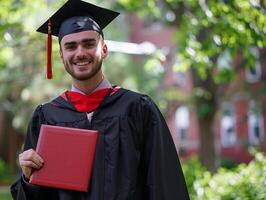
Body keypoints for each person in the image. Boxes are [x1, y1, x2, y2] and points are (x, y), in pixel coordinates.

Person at [10, 0, 190, 199]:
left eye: (89, 44)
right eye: (70, 46)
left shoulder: (138, 109)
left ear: (104, 50)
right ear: (61, 55)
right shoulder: (46, 116)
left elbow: (164, 184)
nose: (80, 53)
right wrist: (28, 181)